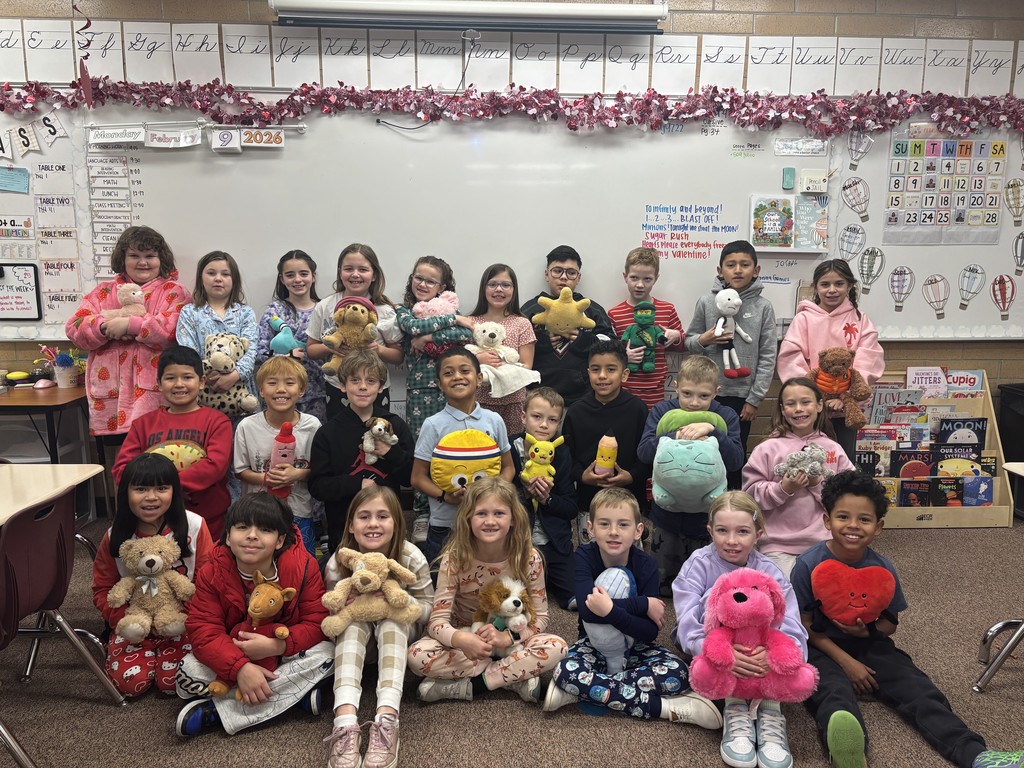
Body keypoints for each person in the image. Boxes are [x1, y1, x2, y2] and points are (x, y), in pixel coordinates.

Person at [791, 471, 1024, 768]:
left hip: (870, 643)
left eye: (864, 519)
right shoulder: (808, 564)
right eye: (843, 517)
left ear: (879, 527)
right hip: (820, 646)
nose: (853, 526)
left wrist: (867, 633)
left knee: (919, 689)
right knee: (832, 692)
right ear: (827, 521)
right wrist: (847, 663)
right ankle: (849, 753)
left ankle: (976, 755)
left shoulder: (882, 569)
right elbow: (803, 625)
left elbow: (891, 623)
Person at [545, 488, 723, 730]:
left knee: (680, 673)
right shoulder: (584, 556)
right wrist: (642, 604)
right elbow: (587, 612)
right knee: (564, 671)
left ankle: (587, 690)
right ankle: (664, 709)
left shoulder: (647, 565)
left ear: (638, 530)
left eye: (623, 524)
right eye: (604, 524)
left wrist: (607, 610)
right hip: (593, 644)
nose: (614, 532)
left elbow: (649, 632)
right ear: (590, 529)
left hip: (638, 647)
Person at [174, 492, 334, 737]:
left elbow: (316, 622)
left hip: (285, 654)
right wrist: (241, 668)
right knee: (187, 671)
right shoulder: (211, 570)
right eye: (242, 527)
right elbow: (204, 630)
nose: (252, 535)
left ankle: (218, 712)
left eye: (265, 530)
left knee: (330, 654)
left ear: (280, 540)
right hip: (234, 650)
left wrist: (277, 646)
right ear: (228, 537)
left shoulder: (304, 566)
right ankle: (293, 696)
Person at [674, 491, 808, 768]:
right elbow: (686, 622)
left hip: (760, 649)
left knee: (763, 610)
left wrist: (774, 656)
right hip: (715, 646)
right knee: (720, 597)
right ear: (710, 530)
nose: (732, 540)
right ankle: (735, 708)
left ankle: (770, 710)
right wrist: (719, 653)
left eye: (743, 531)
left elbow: (792, 623)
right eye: (722, 531)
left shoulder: (770, 570)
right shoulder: (698, 564)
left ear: (758, 534)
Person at [406, 477, 568, 703]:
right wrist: (461, 639)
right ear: (468, 518)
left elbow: (540, 618)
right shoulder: (455, 559)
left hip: (512, 637)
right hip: (467, 636)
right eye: (481, 513)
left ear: (513, 518)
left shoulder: (529, 558)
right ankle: (514, 674)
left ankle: (473, 685)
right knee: (416, 656)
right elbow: (437, 622)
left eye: (499, 513)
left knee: (557, 648)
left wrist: (507, 638)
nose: (490, 521)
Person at [322, 486, 433, 768]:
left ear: (396, 523)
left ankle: (387, 719)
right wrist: (344, 605)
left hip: (399, 634)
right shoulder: (338, 562)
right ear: (351, 524)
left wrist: (400, 601)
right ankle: (344, 721)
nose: (373, 524)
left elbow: (429, 610)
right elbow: (330, 609)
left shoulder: (411, 557)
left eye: (382, 516)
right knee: (351, 625)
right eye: (364, 517)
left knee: (392, 624)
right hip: (358, 638)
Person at [92, 453, 214, 697]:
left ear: (174, 491)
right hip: (135, 621)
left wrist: (185, 617)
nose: (151, 497)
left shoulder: (195, 525)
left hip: (181, 621)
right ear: (125, 493)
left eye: (161, 488)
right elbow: (103, 588)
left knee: (174, 682)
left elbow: (207, 582)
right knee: (130, 683)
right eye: (140, 489)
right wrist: (125, 622)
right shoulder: (114, 536)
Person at [66, 225, 188, 438]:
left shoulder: (174, 292)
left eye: (150, 256)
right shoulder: (103, 291)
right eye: (134, 256)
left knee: (158, 450)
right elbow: (74, 327)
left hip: (155, 396)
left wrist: (131, 325)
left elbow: (174, 331)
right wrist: (104, 327)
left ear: (161, 259)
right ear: (122, 258)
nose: (143, 262)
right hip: (111, 399)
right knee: (119, 455)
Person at [637, 355, 744, 595]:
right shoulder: (663, 411)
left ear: (716, 392)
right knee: (661, 585)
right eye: (687, 394)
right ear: (676, 387)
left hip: (707, 516)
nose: (694, 403)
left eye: (704, 396)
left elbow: (736, 460)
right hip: (666, 514)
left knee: (705, 584)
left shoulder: (726, 416)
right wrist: (675, 434)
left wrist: (713, 431)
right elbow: (644, 452)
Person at [112, 345, 232, 539]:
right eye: (170, 378)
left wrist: (169, 486)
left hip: (207, 520)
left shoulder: (217, 422)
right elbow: (122, 470)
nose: (179, 384)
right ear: (159, 384)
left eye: (187, 377)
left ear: (202, 382)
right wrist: (162, 490)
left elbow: (215, 466)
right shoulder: (143, 425)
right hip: (152, 522)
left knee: (206, 559)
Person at [410, 346, 515, 566]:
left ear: (479, 379)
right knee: (443, 578)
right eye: (448, 373)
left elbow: (508, 468)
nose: (457, 376)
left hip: (488, 522)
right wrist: (445, 496)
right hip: (446, 524)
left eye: (465, 371)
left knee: (488, 577)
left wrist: (491, 494)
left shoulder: (494, 420)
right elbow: (418, 477)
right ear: (439, 384)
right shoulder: (433, 425)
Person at [685, 240, 777, 488]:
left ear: (756, 270)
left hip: (742, 398)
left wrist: (755, 399)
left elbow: (768, 355)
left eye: (744, 265)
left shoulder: (763, 307)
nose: (737, 270)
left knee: (734, 455)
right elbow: (689, 342)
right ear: (720, 270)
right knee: (703, 449)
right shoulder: (706, 302)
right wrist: (704, 339)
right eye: (731, 265)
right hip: (706, 395)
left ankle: (733, 503)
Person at [742, 377, 855, 579]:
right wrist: (783, 488)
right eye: (791, 404)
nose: (798, 409)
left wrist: (817, 484)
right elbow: (749, 496)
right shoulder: (767, 448)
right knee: (782, 591)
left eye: (805, 402)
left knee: (829, 589)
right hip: (777, 544)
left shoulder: (833, 449)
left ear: (819, 405)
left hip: (825, 543)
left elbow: (850, 497)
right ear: (782, 409)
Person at [395, 256, 473, 544]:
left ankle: (455, 507)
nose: (423, 284)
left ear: (443, 287)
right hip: (419, 394)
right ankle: (422, 513)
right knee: (422, 453)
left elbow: (465, 333)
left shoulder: (450, 308)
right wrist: (447, 323)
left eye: (431, 281)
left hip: (451, 392)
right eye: (419, 278)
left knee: (452, 449)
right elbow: (413, 327)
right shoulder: (404, 310)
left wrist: (427, 337)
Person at [777, 259, 885, 460]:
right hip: (810, 411)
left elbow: (869, 358)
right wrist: (813, 397)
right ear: (815, 287)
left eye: (839, 284)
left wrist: (845, 395)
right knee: (808, 460)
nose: (832, 290)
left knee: (842, 460)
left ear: (849, 286)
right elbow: (790, 358)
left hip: (846, 410)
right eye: (825, 284)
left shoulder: (860, 319)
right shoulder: (804, 319)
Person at [309, 350, 415, 554]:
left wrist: (390, 452)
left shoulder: (394, 425)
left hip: (388, 531)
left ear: (381, 387)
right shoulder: (328, 432)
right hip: (344, 532)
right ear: (343, 385)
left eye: (371, 381)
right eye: (355, 380)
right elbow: (318, 486)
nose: (363, 386)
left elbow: (411, 478)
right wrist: (357, 484)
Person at [562, 339, 649, 546]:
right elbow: (567, 456)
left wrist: (631, 476)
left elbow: (647, 456)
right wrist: (582, 475)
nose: (602, 376)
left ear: (624, 374)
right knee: (591, 552)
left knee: (627, 554)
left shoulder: (638, 409)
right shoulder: (576, 411)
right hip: (589, 501)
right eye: (595, 369)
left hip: (628, 500)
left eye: (611, 369)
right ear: (588, 373)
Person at [234, 355, 322, 555]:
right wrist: (266, 478)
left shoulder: (312, 426)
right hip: (257, 513)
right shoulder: (247, 426)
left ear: (301, 390)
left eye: (289, 383)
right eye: (272, 383)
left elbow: (318, 468)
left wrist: (297, 474)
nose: (281, 389)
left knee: (301, 563)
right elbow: (240, 471)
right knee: (259, 564)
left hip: (299, 511)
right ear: (261, 390)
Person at [306, 244, 404, 418]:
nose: (355, 274)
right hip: (337, 386)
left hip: (375, 388)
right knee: (340, 432)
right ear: (340, 273)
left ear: (374, 275)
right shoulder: (325, 306)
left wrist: (378, 349)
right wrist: (330, 347)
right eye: (349, 269)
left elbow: (398, 356)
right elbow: (311, 349)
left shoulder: (385, 310)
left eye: (363, 269)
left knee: (376, 432)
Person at [521, 245, 614, 408]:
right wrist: (540, 342)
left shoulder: (591, 309)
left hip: (582, 400)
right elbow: (514, 349)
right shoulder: (530, 309)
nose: (564, 277)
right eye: (557, 271)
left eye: (571, 272)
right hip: (537, 398)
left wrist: (585, 341)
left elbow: (613, 348)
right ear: (546, 274)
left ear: (579, 277)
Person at [511, 387, 577, 610]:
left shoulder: (562, 453)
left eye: (552, 420)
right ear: (523, 417)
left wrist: (547, 499)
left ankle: (547, 576)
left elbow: (571, 507)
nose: (544, 425)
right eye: (537, 417)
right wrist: (525, 494)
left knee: (574, 597)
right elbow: (498, 499)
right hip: (517, 542)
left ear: (559, 423)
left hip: (553, 542)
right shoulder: (510, 449)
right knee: (511, 599)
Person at [176, 250, 259, 410]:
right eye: (211, 273)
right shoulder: (190, 312)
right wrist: (207, 375)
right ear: (201, 278)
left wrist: (234, 375)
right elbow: (188, 351)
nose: (218, 279)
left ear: (234, 280)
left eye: (225, 274)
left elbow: (251, 349)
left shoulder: (245, 313)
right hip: (204, 393)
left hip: (242, 394)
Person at [607, 246, 684, 409]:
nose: (640, 285)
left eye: (647, 279)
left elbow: (683, 345)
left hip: (657, 389)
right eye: (634, 278)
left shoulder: (667, 309)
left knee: (653, 424)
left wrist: (676, 336)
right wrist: (624, 357)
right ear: (625, 276)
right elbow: (609, 354)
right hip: (624, 390)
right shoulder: (615, 314)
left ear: (656, 278)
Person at [256, 250, 326, 424]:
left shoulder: (324, 310)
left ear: (313, 276)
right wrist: (287, 357)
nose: (297, 279)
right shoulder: (275, 311)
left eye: (303, 274)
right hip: (279, 396)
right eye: (290, 275)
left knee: (312, 438)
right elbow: (260, 352)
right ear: (282, 279)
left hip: (317, 395)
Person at [468, 263, 537, 438]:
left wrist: (501, 368)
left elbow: (526, 366)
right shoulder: (470, 323)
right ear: (484, 288)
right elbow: (460, 362)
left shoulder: (522, 323)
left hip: (513, 404)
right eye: (492, 284)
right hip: (477, 402)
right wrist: (478, 360)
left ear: (514, 290)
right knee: (480, 448)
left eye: (506, 285)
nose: (499, 289)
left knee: (511, 450)